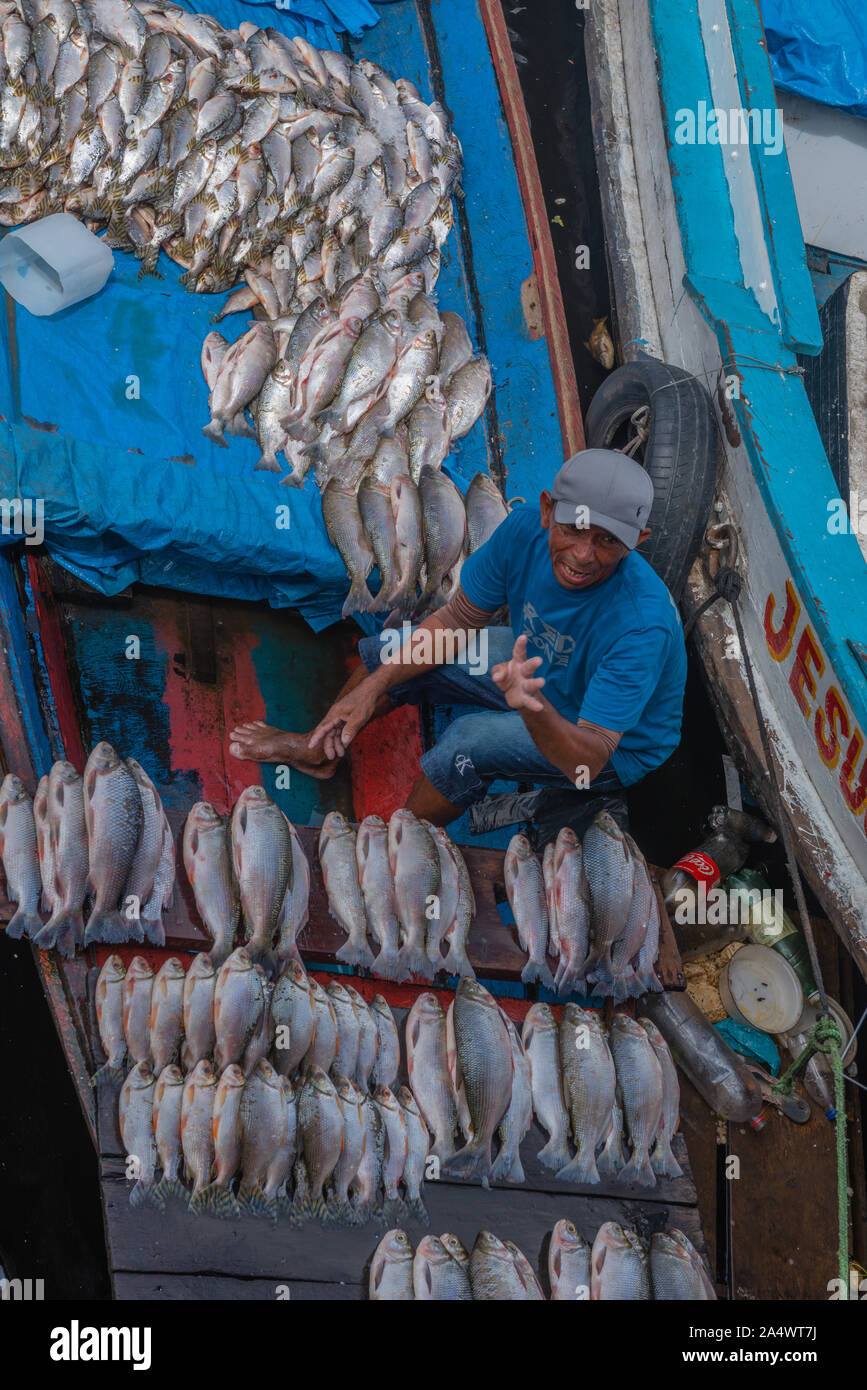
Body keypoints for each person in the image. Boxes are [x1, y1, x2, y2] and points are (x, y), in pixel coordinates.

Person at [229, 448, 687, 827]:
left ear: (638, 540)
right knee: (391, 652)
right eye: (573, 529)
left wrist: (535, 708)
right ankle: (318, 749)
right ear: (548, 510)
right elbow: (457, 619)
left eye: (607, 542)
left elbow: (584, 761)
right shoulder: (522, 530)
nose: (584, 556)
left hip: (605, 745)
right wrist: (373, 688)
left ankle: (401, 842)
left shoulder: (641, 626)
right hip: (540, 664)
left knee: (469, 740)